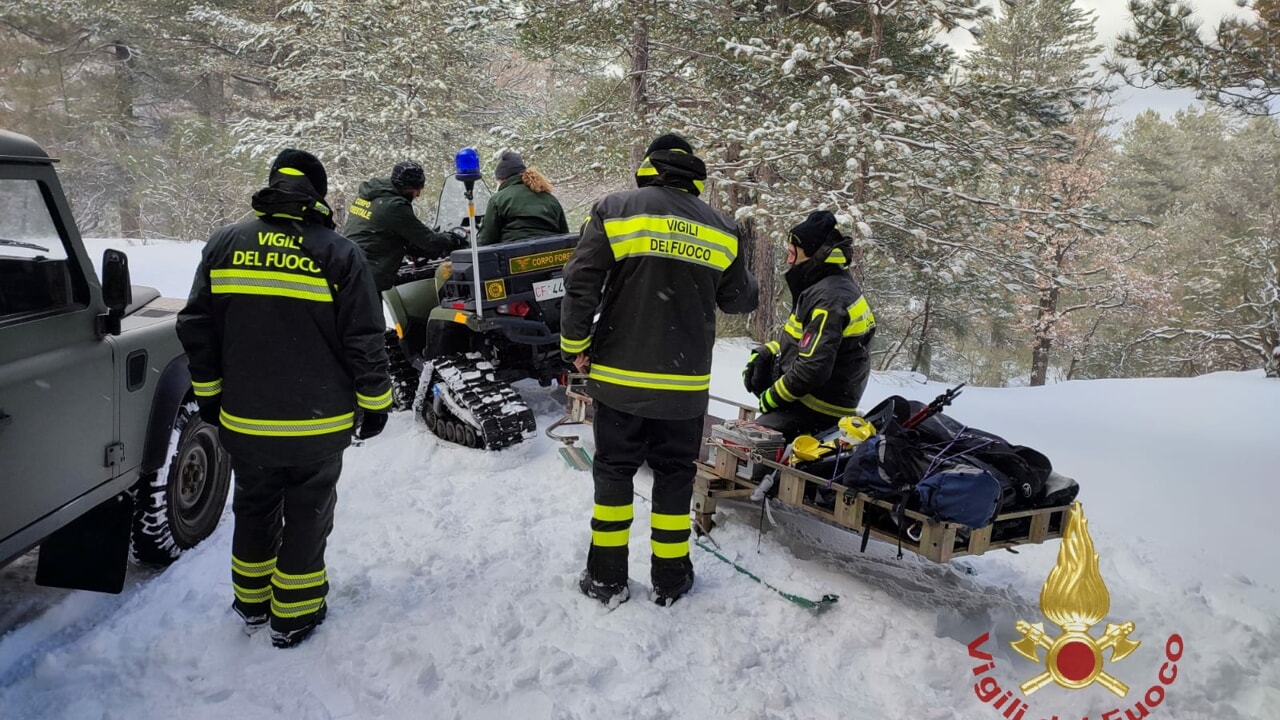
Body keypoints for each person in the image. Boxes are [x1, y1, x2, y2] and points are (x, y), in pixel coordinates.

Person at [177, 149, 393, 648]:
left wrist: (211, 396)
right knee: (308, 510)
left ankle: (251, 603)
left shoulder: (224, 244)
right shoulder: (339, 253)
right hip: (317, 424)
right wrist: (376, 402)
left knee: (254, 506)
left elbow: (196, 326)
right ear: (316, 193)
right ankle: (294, 615)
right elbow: (365, 337)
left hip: (246, 420)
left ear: (273, 185)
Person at [560, 133, 758, 607]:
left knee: (614, 473)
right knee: (673, 477)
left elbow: (581, 280)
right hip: (684, 386)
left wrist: (575, 346)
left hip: (621, 378)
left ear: (649, 166)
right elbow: (741, 298)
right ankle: (671, 577)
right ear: (693, 174)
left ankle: (606, 577)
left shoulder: (616, 208)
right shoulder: (722, 227)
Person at [743, 210, 876, 442]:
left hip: (818, 409)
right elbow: (806, 340)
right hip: (812, 400)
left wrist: (772, 398)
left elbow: (812, 369)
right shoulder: (824, 285)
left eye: (793, 254)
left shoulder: (829, 298)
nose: (788, 261)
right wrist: (769, 351)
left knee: (751, 446)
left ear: (814, 255)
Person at [344, 160, 467, 292]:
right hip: (368, 276)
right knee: (370, 312)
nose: (418, 194)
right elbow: (429, 240)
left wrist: (414, 249)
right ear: (405, 187)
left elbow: (384, 233)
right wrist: (454, 239)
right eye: (416, 189)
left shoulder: (372, 195)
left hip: (352, 268)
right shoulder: (393, 206)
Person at [477, 151, 569, 246]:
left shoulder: (498, 200)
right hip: (550, 255)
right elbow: (565, 235)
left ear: (501, 179)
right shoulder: (550, 199)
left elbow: (487, 239)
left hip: (513, 255)